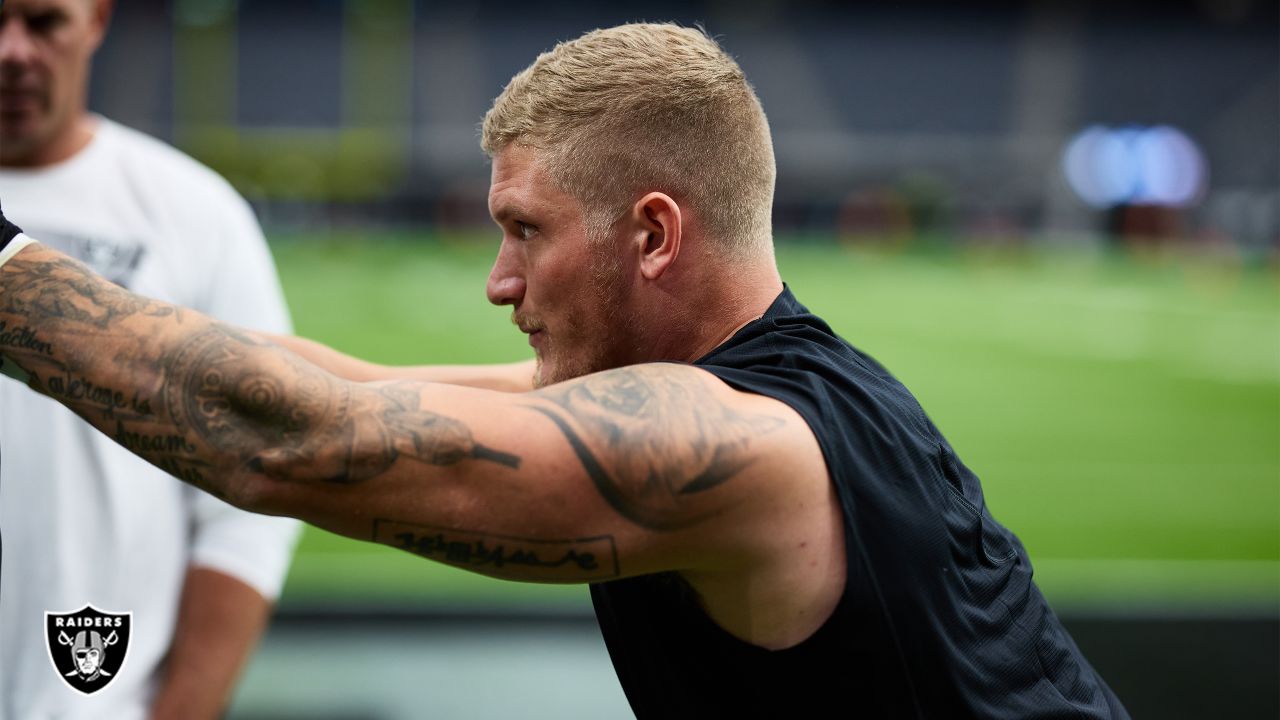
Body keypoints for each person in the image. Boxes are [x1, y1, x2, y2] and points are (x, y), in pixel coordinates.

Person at [0, 22, 1129, 718]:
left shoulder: (741, 451)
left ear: (650, 235)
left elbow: (299, 442)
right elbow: (340, 383)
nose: (498, 282)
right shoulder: (742, 391)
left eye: (524, 232)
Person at [0, 1, 299, 718]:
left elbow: (255, 488)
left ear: (96, 20)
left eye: (43, 22)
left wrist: (185, 708)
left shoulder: (193, 211)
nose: (11, 51)